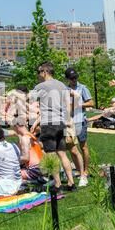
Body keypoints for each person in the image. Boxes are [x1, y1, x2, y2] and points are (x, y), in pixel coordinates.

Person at [29, 62, 76, 192]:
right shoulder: (62, 85)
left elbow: (30, 100)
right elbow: (68, 104)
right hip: (60, 123)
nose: (38, 75)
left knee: (50, 155)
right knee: (62, 153)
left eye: (39, 72)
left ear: (45, 72)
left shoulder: (40, 86)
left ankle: (57, 184)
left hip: (48, 124)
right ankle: (72, 183)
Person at [65, 68, 94, 187]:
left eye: (75, 77)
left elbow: (91, 103)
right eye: (72, 78)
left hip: (80, 120)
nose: (74, 80)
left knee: (83, 146)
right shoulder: (65, 90)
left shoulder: (83, 88)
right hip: (69, 122)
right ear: (67, 79)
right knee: (72, 148)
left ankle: (85, 171)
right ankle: (78, 169)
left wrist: (79, 105)